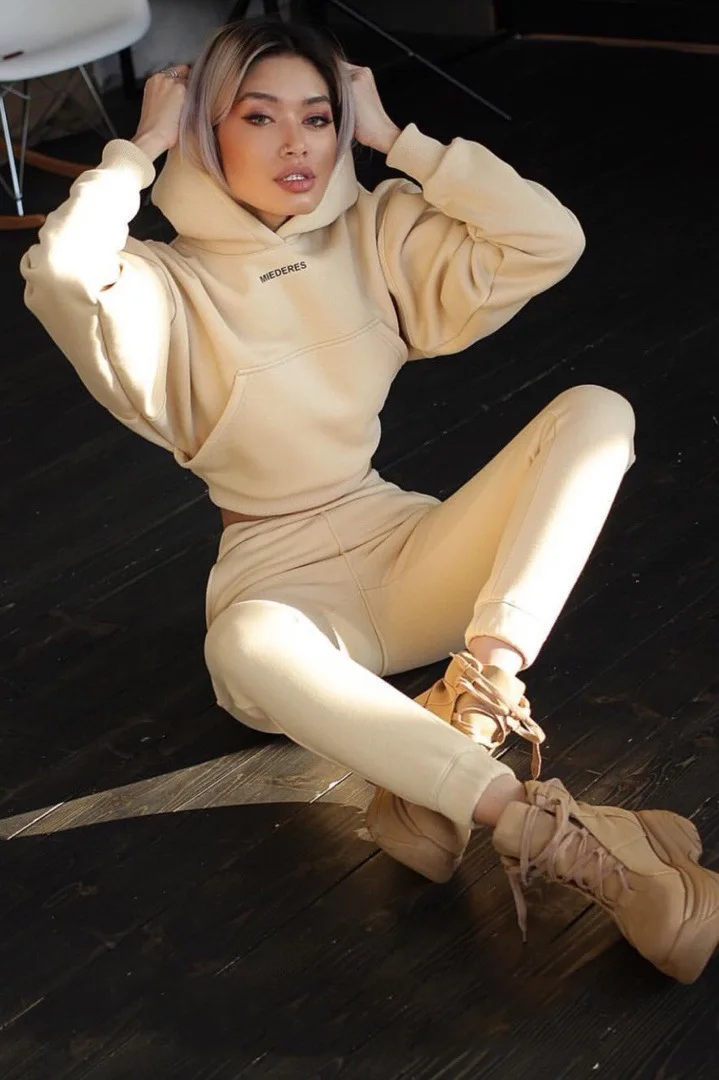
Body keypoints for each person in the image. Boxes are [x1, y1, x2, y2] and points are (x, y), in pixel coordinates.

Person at [20, 16, 719, 984]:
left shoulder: (374, 230)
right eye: (257, 117)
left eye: (318, 117)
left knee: (597, 411)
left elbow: (548, 238)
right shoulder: (159, 286)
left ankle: (472, 707)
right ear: (202, 133)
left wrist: (397, 139)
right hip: (285, 586)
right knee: (241, 644)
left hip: (400, 544)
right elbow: (61, 271)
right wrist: (139, 147)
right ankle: (558, 839)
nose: (296, 143)